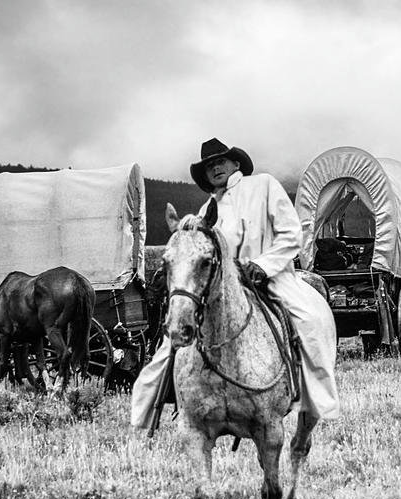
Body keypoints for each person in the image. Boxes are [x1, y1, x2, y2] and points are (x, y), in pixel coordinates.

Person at [131, 138, 340, 430]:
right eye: (209, 165)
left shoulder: (263, 186)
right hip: (224, 285)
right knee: (173, 338)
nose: (215, 167)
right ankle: (154, 409)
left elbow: (292, 233)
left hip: (270, 277)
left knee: (310, 320)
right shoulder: (207, 209)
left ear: (236, 163)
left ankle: (312, 397)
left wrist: (263, 265)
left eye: (220, 161)